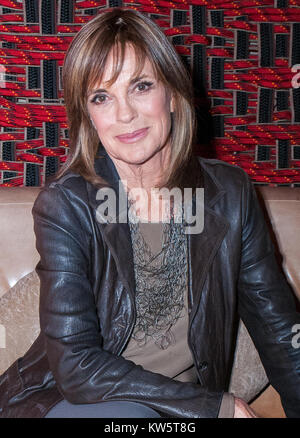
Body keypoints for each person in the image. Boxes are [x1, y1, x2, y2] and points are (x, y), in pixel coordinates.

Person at [0, 8, 299, 419]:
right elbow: (76, 365)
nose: (124, 114)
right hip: (73, 404)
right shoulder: (66, 204)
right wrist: (216, 407)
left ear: (173, 94)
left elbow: (280, 330)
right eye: (101, 97)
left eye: (141, 86)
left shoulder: (228, 194)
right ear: (89, 116)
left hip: (177, 411)